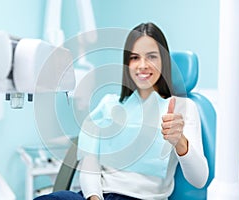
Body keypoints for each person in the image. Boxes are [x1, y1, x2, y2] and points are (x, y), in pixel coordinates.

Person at [34, 22, 208, 200]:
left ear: (163, 61)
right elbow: (90, 164)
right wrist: (94, 197)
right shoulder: (109, 104)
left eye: (152, 57)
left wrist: (180, 142)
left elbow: (199, 180)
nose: (142, 65)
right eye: (134, 58)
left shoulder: (180, 108)